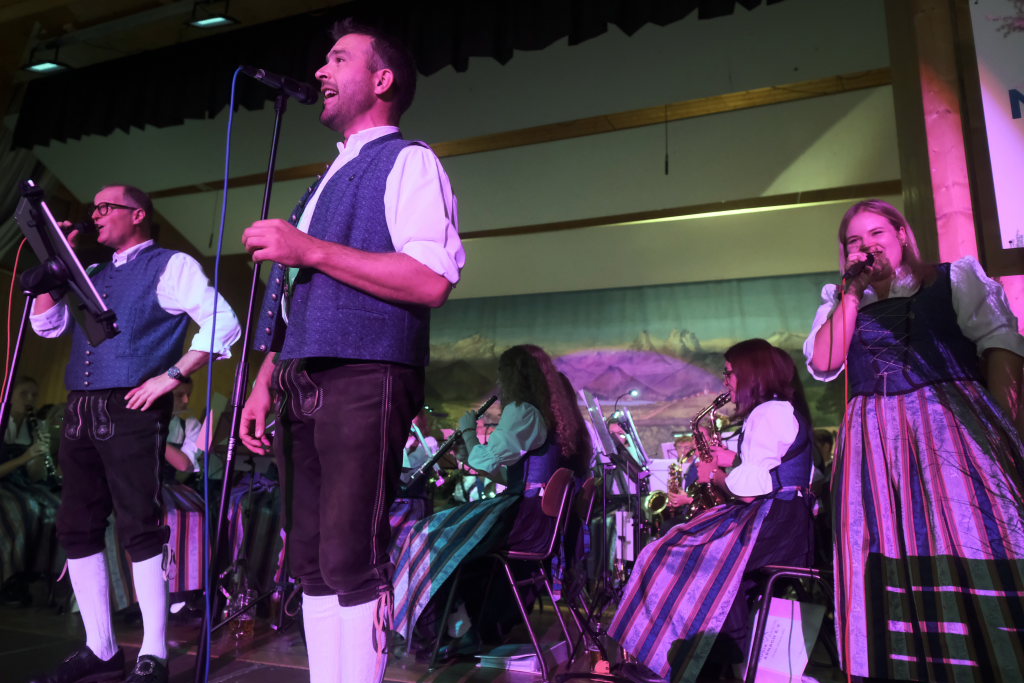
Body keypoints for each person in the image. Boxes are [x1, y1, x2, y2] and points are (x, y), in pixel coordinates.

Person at [239, 17, 465, 683]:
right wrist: (264, 379)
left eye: (339, 59)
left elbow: (430, 278)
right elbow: (299, 298)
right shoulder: (325, 178)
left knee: (350, 555)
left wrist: (308, 249)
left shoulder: (409, 160)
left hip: (365, 370)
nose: (320, 71)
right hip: (301, 376)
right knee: (309, 559)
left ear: (382, 79)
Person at [804, 199, 1024, 682]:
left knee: (969, 534)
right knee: (886, 545)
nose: (866, 246)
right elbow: (824, 362)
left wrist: (1002, 431)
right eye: (854, 241)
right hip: (875, 445)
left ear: (901, 235)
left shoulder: (953, 279)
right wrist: (851, 294)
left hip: (949, 432)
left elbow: (1001, 344)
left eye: (876, 234)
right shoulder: (840, 303)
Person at [28, 184, 241, 683]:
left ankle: (153, 654)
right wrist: (54, 267)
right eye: (94, 207)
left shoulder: (170, 265)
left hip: (131, 409)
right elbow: (47, 326)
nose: (96, 214)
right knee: (77, 526)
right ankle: (100, 648)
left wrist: (172, 376)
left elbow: (223, 321)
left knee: (140, 526)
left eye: (106, 207)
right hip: (81, 409)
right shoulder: (91, 272)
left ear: (137, 214)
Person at [609, 339, 816, 683]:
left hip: (775, 525)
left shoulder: (767, 413)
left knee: (665, 552)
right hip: (785, 521)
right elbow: (770, 472)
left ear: (751, 374)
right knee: (684, 550)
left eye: (730, 372)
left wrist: (714, 475)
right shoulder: (779, 410)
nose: (725, 380)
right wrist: (733, 459)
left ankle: (681, 661)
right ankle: (704, 660)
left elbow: (748, 494)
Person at [392, 345, 589, 655]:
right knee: (444, 541)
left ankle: (436, 634)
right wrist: (474, 455)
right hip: (537, 517)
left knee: (426, 536)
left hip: (523, 519)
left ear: (513, 376)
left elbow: (485, 460)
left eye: (501, 374)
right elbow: (519, 474)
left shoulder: (522, 411)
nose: (498, 382)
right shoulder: (550, 418)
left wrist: (469, 432)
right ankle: (459, 629)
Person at [0, 376, 61, 606]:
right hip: (4, 483)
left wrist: (40, 455)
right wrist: (25, 457)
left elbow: (35, 475)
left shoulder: (34, 425)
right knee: (22, 509)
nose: (30, 400)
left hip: (22, 484)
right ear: (8, 396)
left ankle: (36, 572)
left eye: (34, 395)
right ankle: (9, 577)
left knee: (55, 507)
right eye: (23, 394)